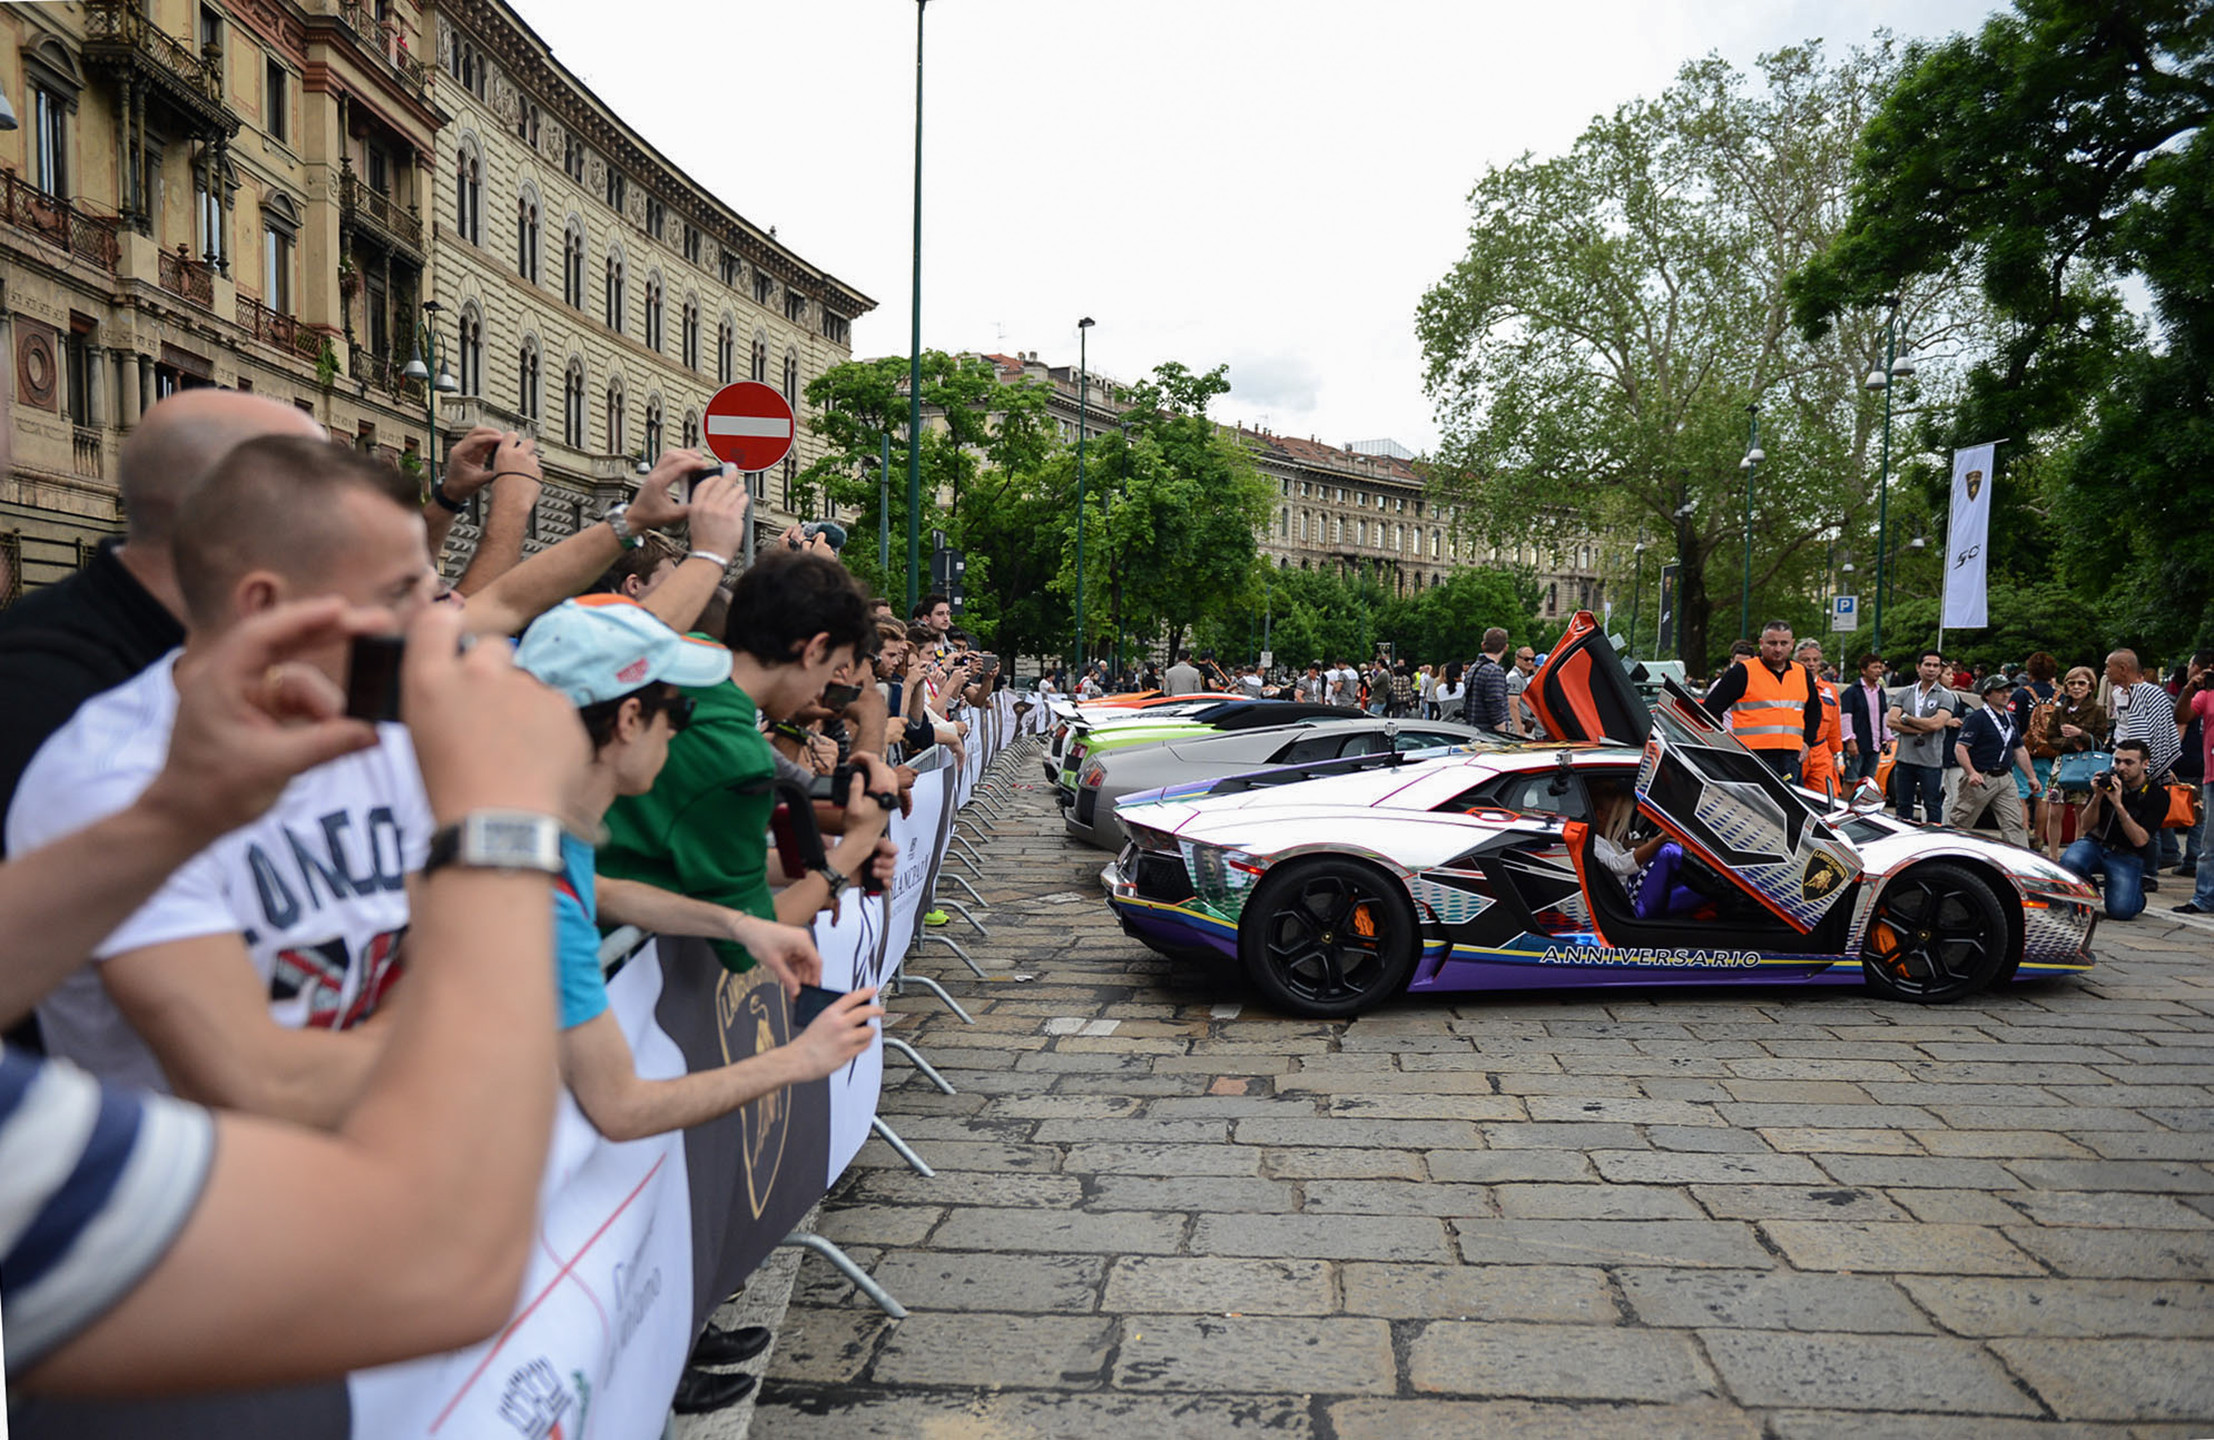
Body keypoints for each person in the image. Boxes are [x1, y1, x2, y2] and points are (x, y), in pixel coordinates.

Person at [4, 597, 588, 1392]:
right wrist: (507, 822)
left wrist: (178, 814)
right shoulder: (98, 770)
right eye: (400, 588)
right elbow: (451, 1261)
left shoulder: (198, 774)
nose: (434, 610)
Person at [5, 437, 458, 1119]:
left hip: (360, 1169)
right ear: (266, 604)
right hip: (198, 1207)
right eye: (401, 591)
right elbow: (260, 1085)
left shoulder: (381, 731)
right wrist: (464, 1030)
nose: (439, 615)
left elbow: (445, 947)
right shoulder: (108, 780)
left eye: (431, 584)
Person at [599, 552, 898, 968]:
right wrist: (857, 846)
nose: (822, 690)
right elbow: (748, 942)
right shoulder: (738, 755)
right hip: (602, 963)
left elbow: (708, 856)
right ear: (813, 651)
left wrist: (835, 868)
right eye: (832, 668)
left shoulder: (690, 658)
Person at [1702, 620, 1821, 783]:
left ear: (1792, 644)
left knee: (1787, 807)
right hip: (1753, 756)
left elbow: (1814, 710)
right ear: (1761, 643)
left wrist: (1807, 742)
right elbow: (1710, 709)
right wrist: (1725, 743)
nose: (1778, 649)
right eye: (1772, 643)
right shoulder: (1743, 672)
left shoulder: (1801, 673)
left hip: (1790, 756)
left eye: (1783, 643)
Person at [2060, 738, 2164, 920]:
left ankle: (2135, 894)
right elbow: (2085, 825)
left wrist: (2118, 804)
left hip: (2127, 854)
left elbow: (2140, 840)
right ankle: (2088, 890)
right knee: (2070, 861)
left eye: (2129, 762)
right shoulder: (2107, 780)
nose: (2121, 767)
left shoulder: (2156, 795)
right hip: (2095, 844)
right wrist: (2097, 797)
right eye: (2117, 761)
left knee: (2121, 911)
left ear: (2145, 764)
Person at [1948, 673, 2041, 847]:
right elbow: (1960, 748)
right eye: (2000, 691)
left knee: (2015, 822)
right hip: (1981, 777)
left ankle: (2019, 861)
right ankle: (1949, 853)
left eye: (2008, 691)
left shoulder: (2010, 720)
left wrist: (2031, 776)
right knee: (1961, 821)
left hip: (2005, 778)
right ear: (1987, 694)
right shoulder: (1977, 718)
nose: (2006, 695)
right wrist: (1971, 772)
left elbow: (2019, 750)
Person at [1589, 780, 1700, 919]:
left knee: (1698, 893)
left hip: (1634, 893)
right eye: (1617, 821)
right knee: (1668, 852)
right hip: (1632, 905)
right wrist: (1661, 838)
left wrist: (1654, 843)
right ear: (1600, 815)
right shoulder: (1593, 843)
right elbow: (1620, 865)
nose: (1621, 827)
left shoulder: (1611, 842)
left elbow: (1626, 845)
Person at [1886, 650, 1959, 824]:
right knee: (1903, 806)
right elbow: (1891, 721)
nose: (1932, 669)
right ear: (1919, 667)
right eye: (1928, 665)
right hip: (1905, 758)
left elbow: (1937, 724)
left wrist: (1907, 719)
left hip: (1930, 761)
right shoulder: (1905, 693)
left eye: (1936, 666)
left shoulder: (1946, 696)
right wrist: (1920, 728)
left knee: (1932, 805)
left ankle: (1933, 840)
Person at [2175, 656, 2214, 913]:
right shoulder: (2206, 693)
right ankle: (2204, 898)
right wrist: (2190, 688)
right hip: (2212, 775)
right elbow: (2182, 715)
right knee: (2210, 842)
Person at [2011, 652, 2062, 837]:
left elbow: (2012, 724)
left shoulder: (2023, 694)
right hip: (2050, 754)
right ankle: (2039, 838)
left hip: (2025, 752)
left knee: (2021, 796)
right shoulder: (2059, 697)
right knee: (2043, 798)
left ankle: (2023, 836)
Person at [1795, 639, 1846, 798]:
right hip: (1796, 749)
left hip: (1821, 750)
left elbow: (1834, 725)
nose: (1811, 664)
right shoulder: (1790, 686)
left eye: (1815, 660)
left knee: (1827, 798)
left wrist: (1837, 755)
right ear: (1796, 661)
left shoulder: (1829, 690)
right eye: (1806, 660)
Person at [1839, 653, 1891, 788]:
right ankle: (1846, 807)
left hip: (1874, 744)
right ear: (1863, 670)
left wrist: (1886, 738)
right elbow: (1846, 718)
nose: (1879, 671)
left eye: (1880, 667)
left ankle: (1863, 808)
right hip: (1857, 743)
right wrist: (1850, 741)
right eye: (1874, 667)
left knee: (1868, 782)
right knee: (1851, 781)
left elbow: (1884, 715)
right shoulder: (1852, 692)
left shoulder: (1880, 691)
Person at [1467, 628, 1512, 731]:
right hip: (1489, 734)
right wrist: (1503, 734)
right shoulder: (1495, 671)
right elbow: (1495, 708)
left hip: (1472, 730)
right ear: (1506, 647)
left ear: (1483, 645)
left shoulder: (1473, 668)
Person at [1506, 643, 1539, 737]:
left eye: (1532, 659)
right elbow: (1512, 705)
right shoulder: (1514, 678)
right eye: (1526, 659)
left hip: (1527, 725)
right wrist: (1519, 731)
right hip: (1519, 727)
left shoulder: (1523, 677)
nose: (1529, 662)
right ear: (1517, 659)